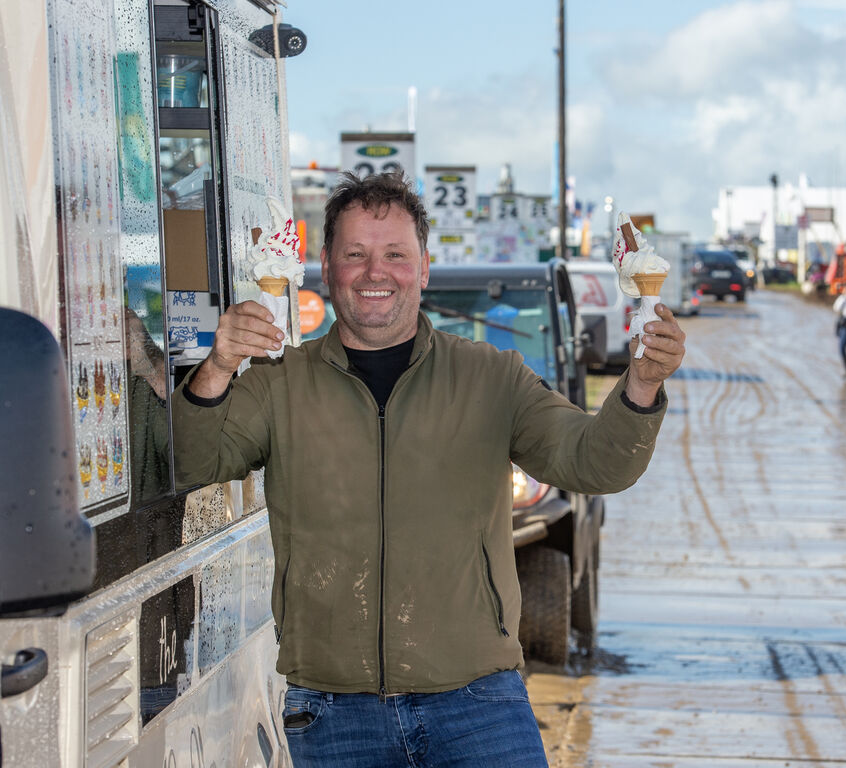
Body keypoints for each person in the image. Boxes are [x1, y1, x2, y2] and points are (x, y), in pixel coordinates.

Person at [170, 171, 687, 767]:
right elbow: (197, 460)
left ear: (424, 268)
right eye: (355, 254)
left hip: (479, 705)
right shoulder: (279, 383)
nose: (375, 272)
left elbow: (596, 463)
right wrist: (217, 366)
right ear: (325, 267)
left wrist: (643, 384)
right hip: (335, 713)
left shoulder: (494, 377)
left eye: (395, 254)